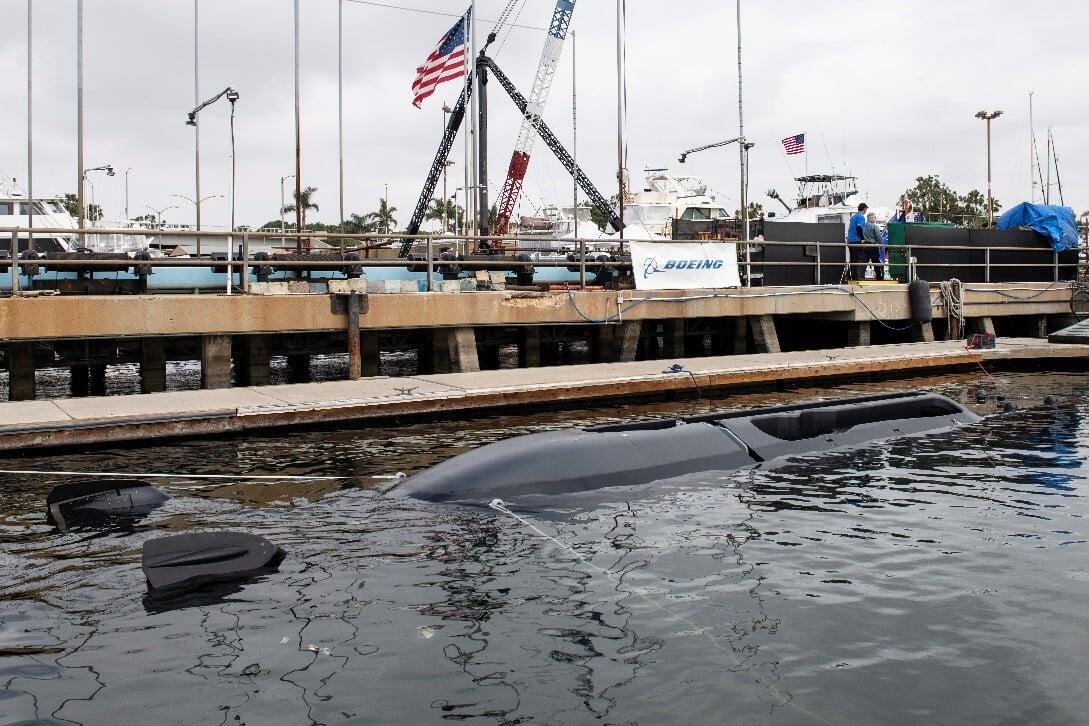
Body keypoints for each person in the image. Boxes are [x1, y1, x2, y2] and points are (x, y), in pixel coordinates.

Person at [847, 203, 868, 280]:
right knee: (857, 258)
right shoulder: (861, 217)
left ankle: (849, 275)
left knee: (852, 259)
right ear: (864, 209)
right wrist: (862, 238)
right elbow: (859, 227)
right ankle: (856, 277)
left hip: (850, 240)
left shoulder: (853, 217)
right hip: (856, 240)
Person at [862, 212, 886, 280]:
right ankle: (879, 276)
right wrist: (881, 246)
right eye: (875, 217)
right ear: (871, 218)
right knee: (876, 262)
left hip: (865, 246)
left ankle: (860, 276)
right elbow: (878, 237)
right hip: (873, 246)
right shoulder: (874, 226)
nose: (875, 219)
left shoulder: (864, 226)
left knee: (864, 262)